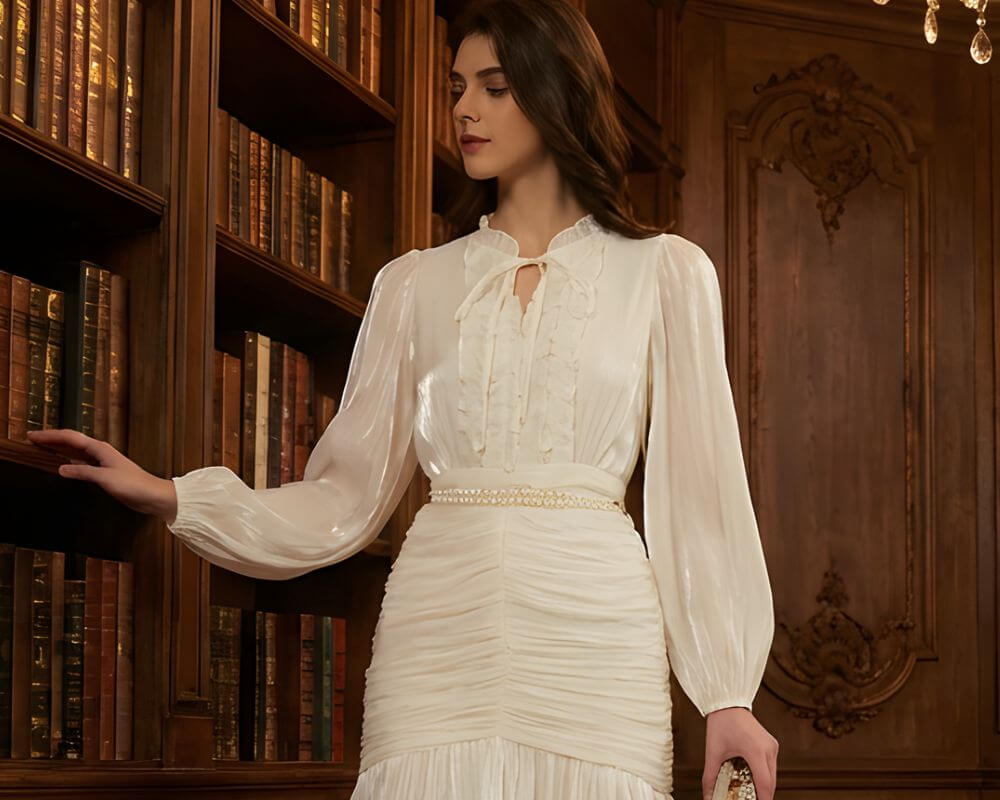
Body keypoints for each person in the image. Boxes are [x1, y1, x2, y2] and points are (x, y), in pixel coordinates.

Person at [25, 1, 779, 797]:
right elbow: (344, 496)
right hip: (436, 630)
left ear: (560, 91)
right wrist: (174, 496)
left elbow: (702, 496)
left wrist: (727, 692)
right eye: (458, 86)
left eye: (494, 85)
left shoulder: (666, 271)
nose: (463, 109)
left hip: (593, 638)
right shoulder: (411, 283)